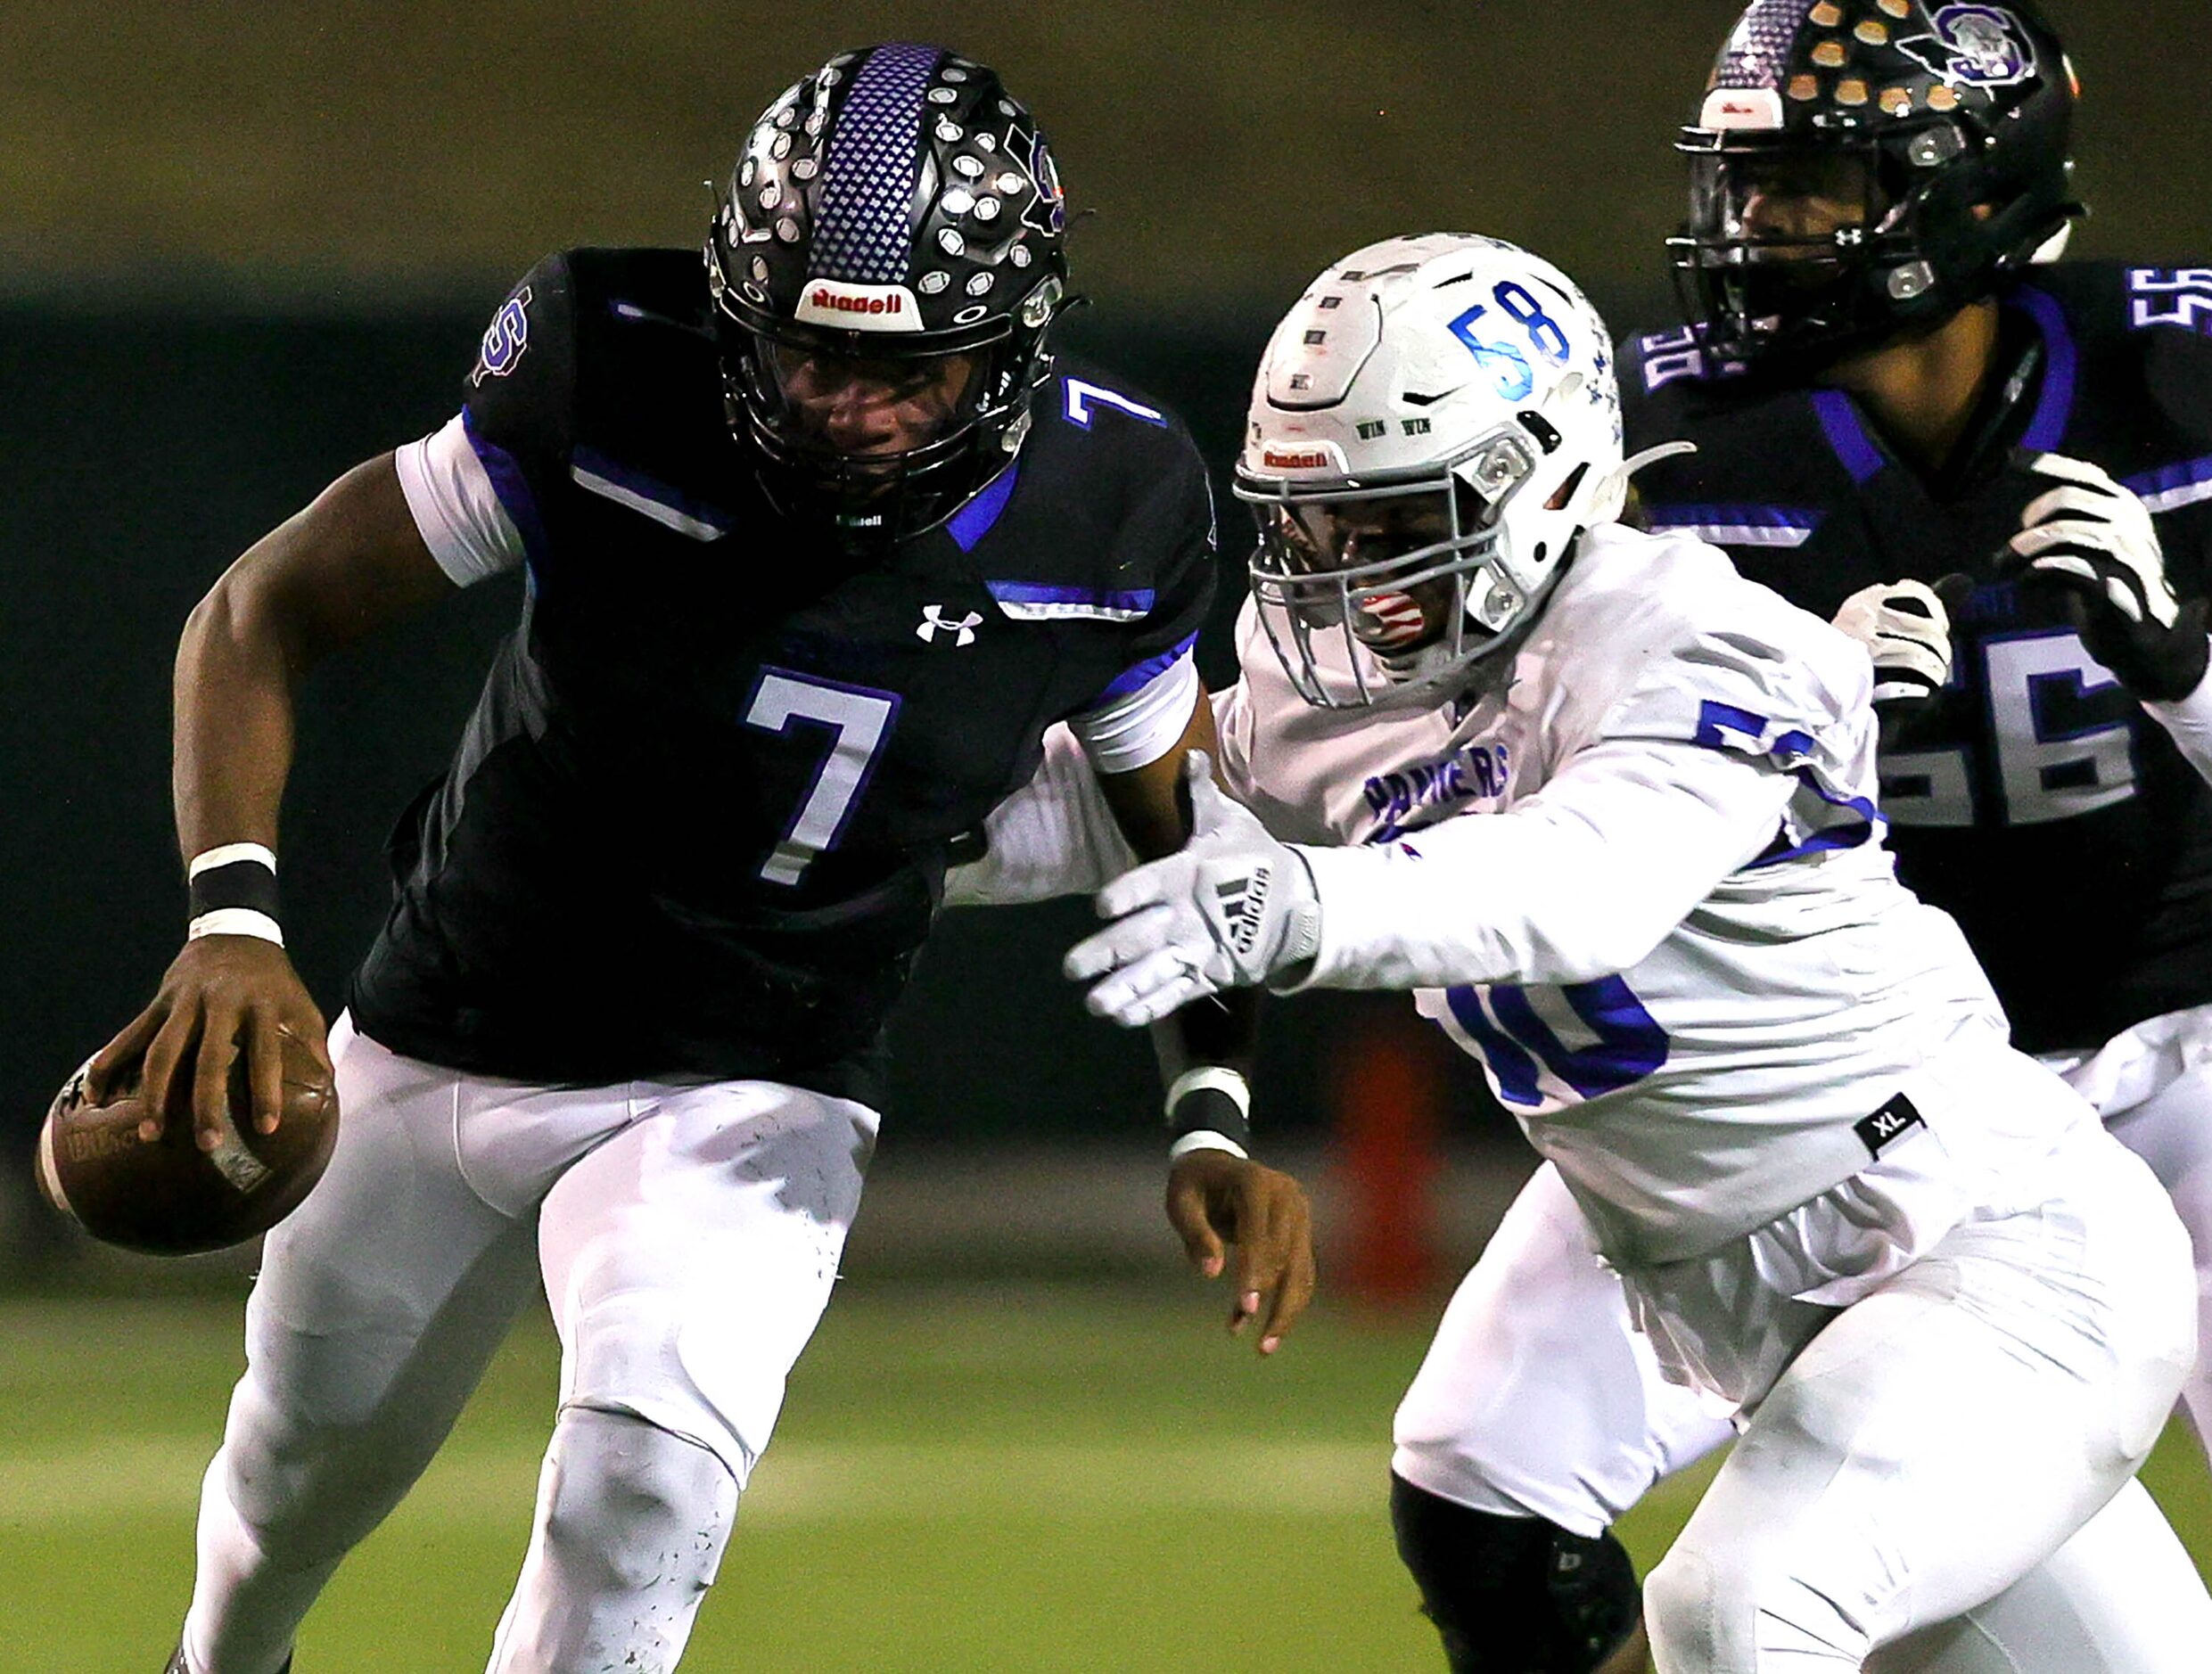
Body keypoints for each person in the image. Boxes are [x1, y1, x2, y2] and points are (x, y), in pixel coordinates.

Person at [87, 44, 1313, 1674]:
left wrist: (1210, 1106)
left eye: (909, 376)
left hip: (757, 1073)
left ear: (1010, 348)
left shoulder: (1116, 503)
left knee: (640, 1493)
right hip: (457, 1006)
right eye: (806, 359)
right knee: (293, 1479)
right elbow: (261, 607)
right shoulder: (611, 365)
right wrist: (233, 917)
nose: (848, 411)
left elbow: (1182, 835)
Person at [956, 229, 2212, 1670]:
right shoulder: (1336, 683)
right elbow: (1112, 807)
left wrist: (1299, 905)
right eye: (1310, 524)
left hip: (1982, 1247)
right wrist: (881, 821)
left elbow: (1583, 883)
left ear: (1537, 484)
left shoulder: (1709, 635)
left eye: (1387, 521)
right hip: (1717, 1284)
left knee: (1739, 1612)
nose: (1338, 574)